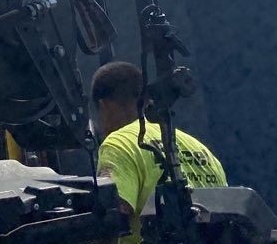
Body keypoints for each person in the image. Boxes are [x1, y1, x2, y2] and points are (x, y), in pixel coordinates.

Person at [91, 61, 227, 243]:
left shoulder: (118, 145)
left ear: (104, 106)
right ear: (147, 100)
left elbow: (112, 218)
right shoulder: (200, 148)